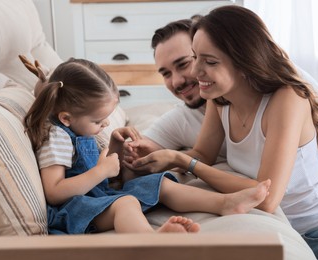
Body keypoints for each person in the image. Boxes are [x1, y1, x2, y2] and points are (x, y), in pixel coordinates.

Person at [124, 6, 318, 259]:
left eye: (210, 61)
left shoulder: (287, 97)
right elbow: (202, 155)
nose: (195, 73)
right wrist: (159, 155)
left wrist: (183, 160)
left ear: (244, 61)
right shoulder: (219, 99)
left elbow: (267, 199)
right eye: (195, 57)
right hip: (282, 233)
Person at [22, 57, 271, 235]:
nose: (105, 123)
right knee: (126, 204)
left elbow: (105, 177)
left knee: (158, 183)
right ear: (66, 117)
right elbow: (54, 192)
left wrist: (115, 146)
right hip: (74, 213)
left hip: (96, 199)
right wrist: (101, 171)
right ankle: (152, 243)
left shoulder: (75, 128)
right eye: (98, 121)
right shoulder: (57, 138)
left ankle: (225, 203)